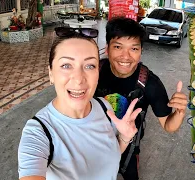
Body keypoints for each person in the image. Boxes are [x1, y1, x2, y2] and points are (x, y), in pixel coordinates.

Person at [18, 27, 142, 180]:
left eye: (89, 66)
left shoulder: (105, 107)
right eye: (66, 65)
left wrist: (123, 138)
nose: (79, 78)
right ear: (51, 73)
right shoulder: (38, 133)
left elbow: (109, 158)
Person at [95, 17, 188, 179]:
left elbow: (168, 125)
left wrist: (179, 113)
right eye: (118, 47)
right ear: (107, 49)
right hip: (92, 145)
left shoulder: (150, 84)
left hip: (129, 151)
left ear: (141, 52)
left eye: (134, 49)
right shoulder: (94, 73)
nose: (126, 56)